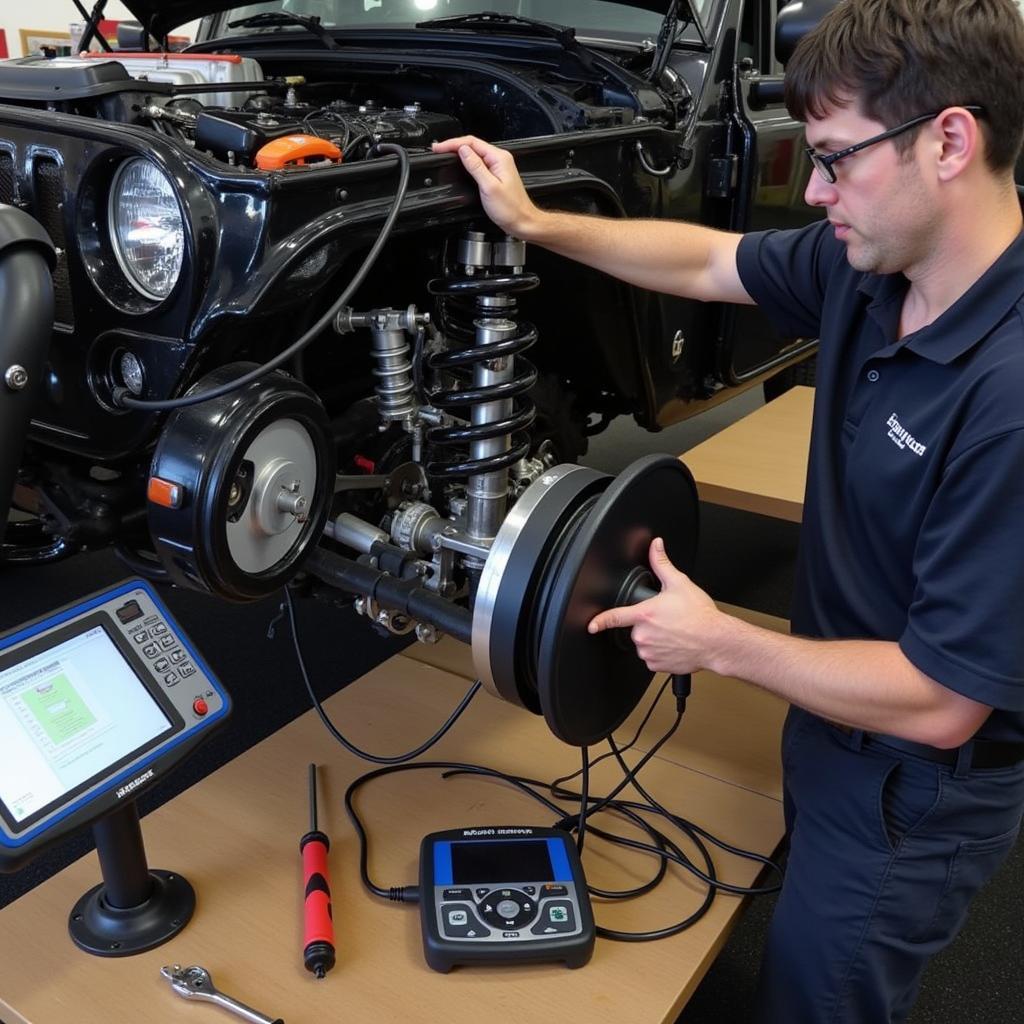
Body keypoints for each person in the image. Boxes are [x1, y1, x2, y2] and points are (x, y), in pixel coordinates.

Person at [432, 1, 1024, 1020]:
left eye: (835, 159)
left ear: (950, 140)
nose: (816, 190)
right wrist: (535, 224)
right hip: (836, 710)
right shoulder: (871, 264)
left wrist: (718, 640)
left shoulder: (1009, 398)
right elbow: (708, 264)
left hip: (914, 788)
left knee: (817, 988)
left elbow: (939, 698)